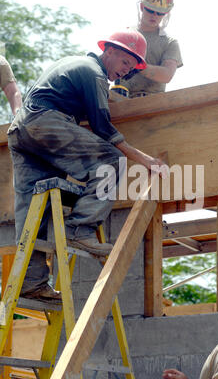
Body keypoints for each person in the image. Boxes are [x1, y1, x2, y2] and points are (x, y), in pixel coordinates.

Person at [7, 29, 166, 301]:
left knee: (36, 204)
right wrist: (144, 159)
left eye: (132, 68)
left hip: (22, 132)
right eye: (126, 62)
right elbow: (102, 127)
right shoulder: (93, 72)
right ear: (110, 50)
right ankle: (79, 229)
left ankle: (31, 282)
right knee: (111, 160)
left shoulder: (73, 64)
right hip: (45, 123)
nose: (126, 71)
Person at [117, 0, 183, 98]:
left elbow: (167, 75)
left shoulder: (170, 43)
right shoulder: (125, 35)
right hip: (121, 98)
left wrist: (139, 66)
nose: (154, 15)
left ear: (165, 13)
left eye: (159, 13)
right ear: (142, 7)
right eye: (150, 10)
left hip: (153, 102)